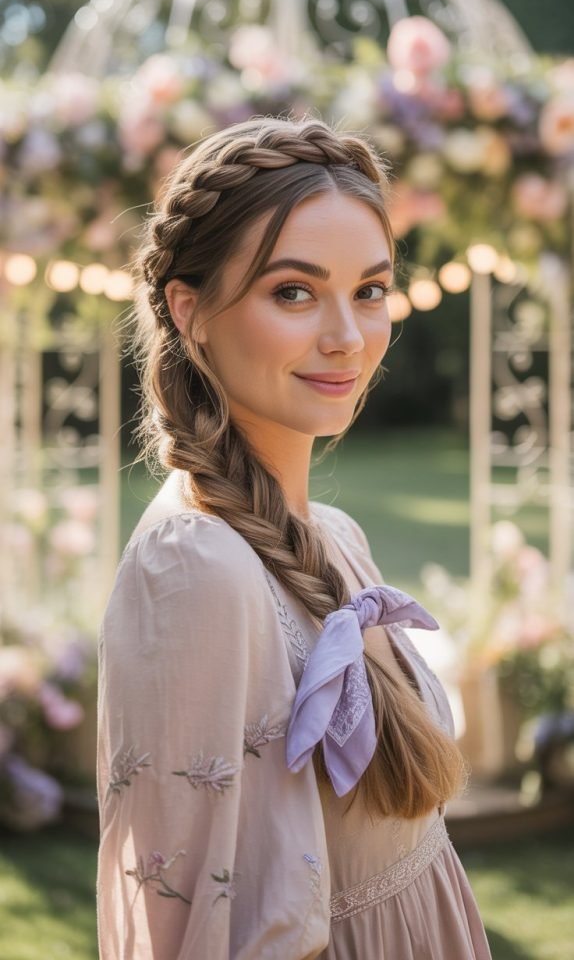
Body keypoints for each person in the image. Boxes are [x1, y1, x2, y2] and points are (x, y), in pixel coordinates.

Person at [96, 115, 492, 959]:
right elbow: (188, 919)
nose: (348, 337)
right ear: (189, 310)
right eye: (294, 292)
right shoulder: (195, 566)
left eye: (371, 290)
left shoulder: (333, 535)